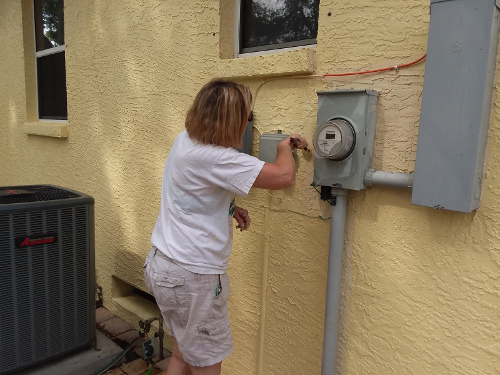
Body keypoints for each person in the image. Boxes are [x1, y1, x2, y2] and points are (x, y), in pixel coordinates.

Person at [143, 79, 308, 375]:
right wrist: (286, 147)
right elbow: (283, 177)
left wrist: (229, 208)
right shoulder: (218, 158)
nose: (248, 122)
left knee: (182, 355)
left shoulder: (186, 140)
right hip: (193, 280)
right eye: (246, 116)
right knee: (207, 366)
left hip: (163, 267)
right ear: (232, 121)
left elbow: (193, 194)